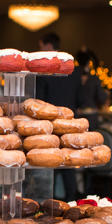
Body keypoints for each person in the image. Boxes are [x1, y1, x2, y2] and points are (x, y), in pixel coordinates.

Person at [34, 32, 82, 200]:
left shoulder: (45, 71)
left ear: (48, 46)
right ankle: (70, 200)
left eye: (41, 46)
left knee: (50, 163)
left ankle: (49, 202)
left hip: (50, 124)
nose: (39, 50)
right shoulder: (74, 70)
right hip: (69, 121)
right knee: (68, 162)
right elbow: (79, 98)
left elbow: (38, 101)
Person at [75, 48, 107, 130]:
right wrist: (107, 94)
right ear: (88, 63)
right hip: (91, 118)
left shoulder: (72, 78)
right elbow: (101, 99)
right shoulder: (94, 79)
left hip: (76, 116)